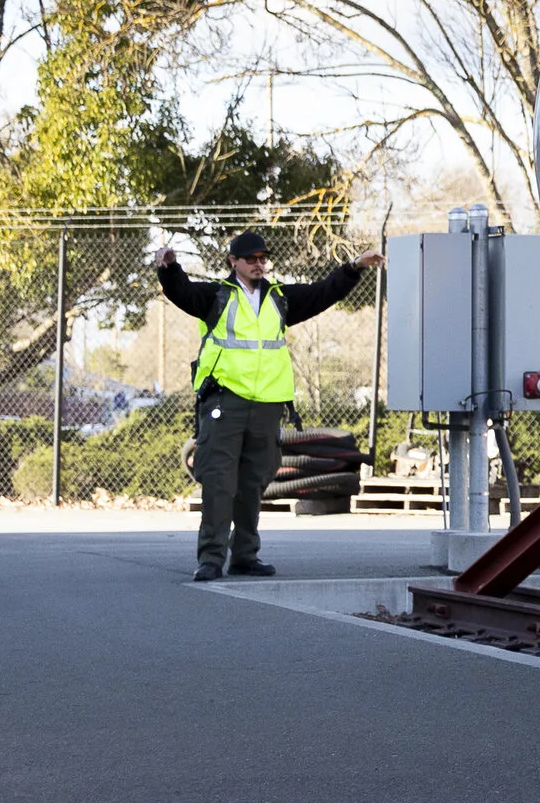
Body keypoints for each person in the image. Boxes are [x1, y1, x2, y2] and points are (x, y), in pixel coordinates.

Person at [154, 231, 384, 581]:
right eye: (251, 259)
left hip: (267, 405)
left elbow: (323, 292)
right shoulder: (217, 296)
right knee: (219, 481)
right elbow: (182, 291)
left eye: (263, 258)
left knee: (254, 481)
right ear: (234, 262)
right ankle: (211, 558)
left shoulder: (280, 298)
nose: (258, 264)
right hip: (225, 401)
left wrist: (353, 268)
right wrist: (169, 269)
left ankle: (245, 555)